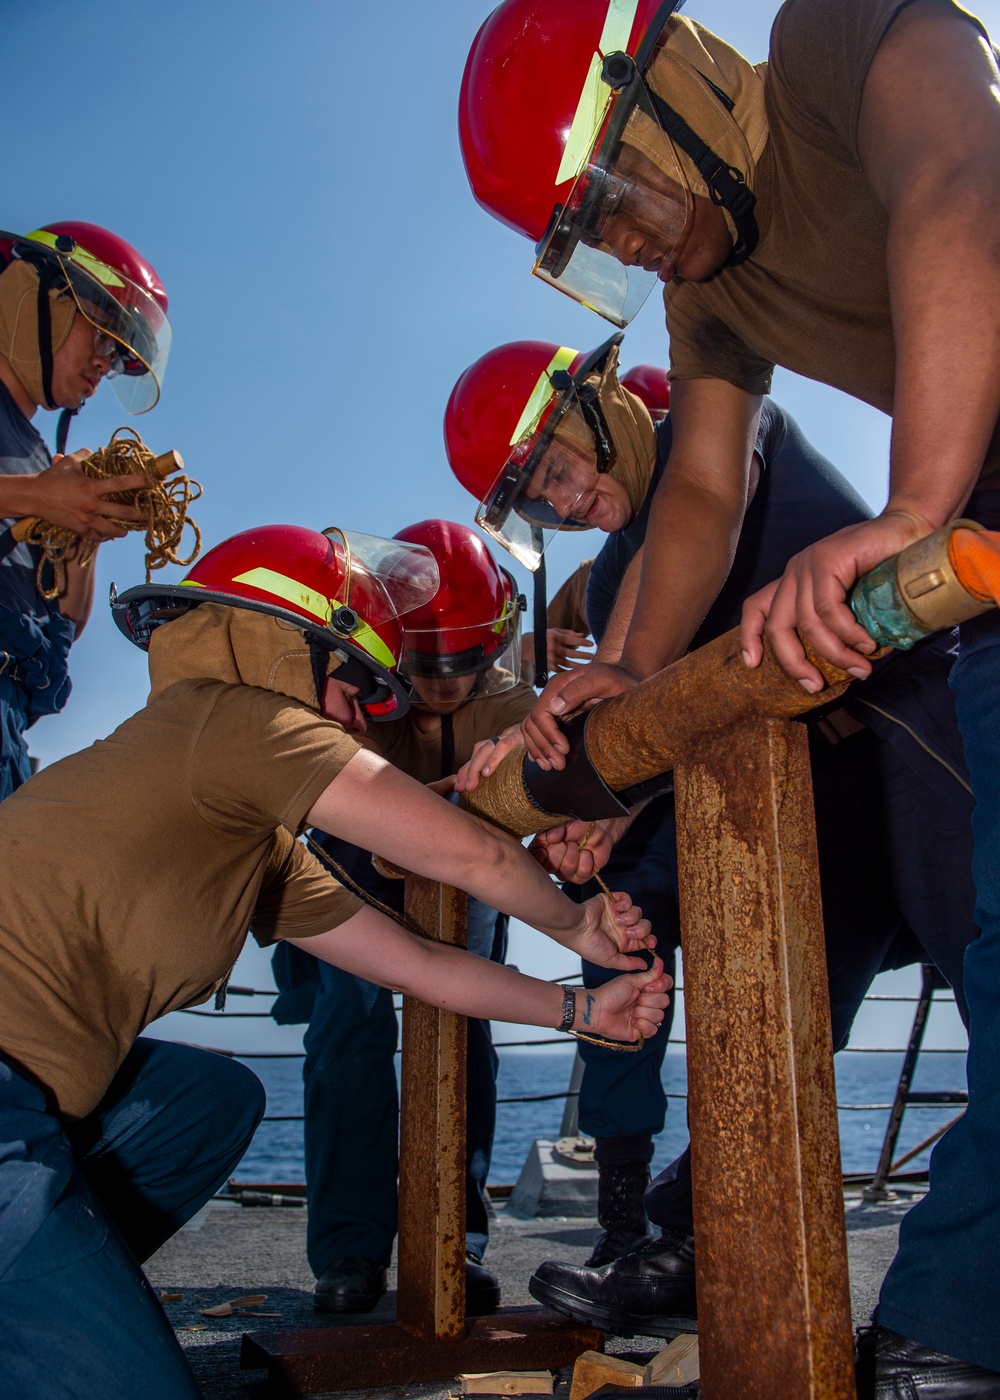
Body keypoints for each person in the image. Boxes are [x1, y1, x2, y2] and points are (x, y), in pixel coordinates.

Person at [460, 1, 1000, 1389]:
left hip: (946, 589)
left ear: (663, 92)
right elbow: (700, 486)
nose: (628, 249)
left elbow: (960, 178)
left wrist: (916, 503)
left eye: (612, 201)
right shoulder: (710, 302)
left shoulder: (837, 38)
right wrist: (622, 683)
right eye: (597, 242)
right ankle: (930, 1329)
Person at [0, 520, 669, 1399]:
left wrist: (581, 1012)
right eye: (354, 686)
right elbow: (472, 859)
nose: (364, 716)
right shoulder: (239, 719)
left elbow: (415, 967)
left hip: (33, 1099)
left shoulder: (257, 845)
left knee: (215, 1098)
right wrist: (582, 929)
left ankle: (52, 1285)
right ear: (285, 649)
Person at [449, 331, 980, 1351]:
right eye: (539, 499)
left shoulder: (719, 425)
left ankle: (954, 1313)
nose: (563, 501)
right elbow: (664, 715)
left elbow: (691, 519)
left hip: (912, 733)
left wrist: (626, 669)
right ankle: (700, 1250)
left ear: (601, 408)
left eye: (559, 467)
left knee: (996, 988)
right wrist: (588, 805)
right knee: (771, 1030)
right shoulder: (608, 593)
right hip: (801, 799)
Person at [271, 518, 538, 1315]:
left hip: (468, 873)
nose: (448, 681)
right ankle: (349, 1252)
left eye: (468, 662)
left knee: (466, 1028)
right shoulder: (346, 687)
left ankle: (456, 1240)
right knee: (346, 1029)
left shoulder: (516, 703)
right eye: (427, 664)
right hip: (350, 865)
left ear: (496, 641)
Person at [0, 221, 171, 799]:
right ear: (36, 293)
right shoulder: (36, 477)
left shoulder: (41, 457)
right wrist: (34, 497)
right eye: (103, 333)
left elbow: (64, 622)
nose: (107, 362)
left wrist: (88, 533)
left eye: (122, 356)